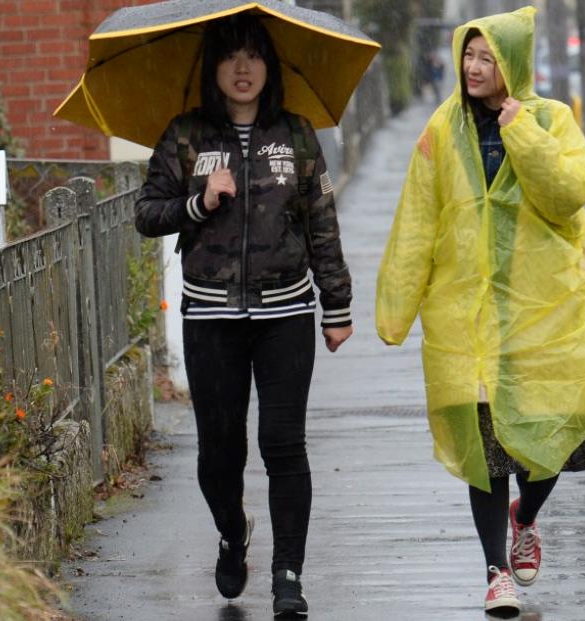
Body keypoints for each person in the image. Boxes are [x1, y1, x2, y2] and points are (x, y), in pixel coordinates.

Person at [375, 7, 585, 615]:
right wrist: (394, 309)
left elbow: (570, 195)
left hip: (541, 316)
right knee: (484, 452)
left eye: (488, 58)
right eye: (468, 56)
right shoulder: (440, 129)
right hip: (465, 321)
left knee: (559, 429)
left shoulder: (551, 120)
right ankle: (495, 570)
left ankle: (525, 517)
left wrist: (520, 131)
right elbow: (417, 220)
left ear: (513, 65)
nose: (474, 68)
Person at [135, 12, 353, 616]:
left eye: (253, 55)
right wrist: (199, 202)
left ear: (269, 66)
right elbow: (146, 213)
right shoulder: (185, 136)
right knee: (219, 453)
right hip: (210, 319)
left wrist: (337, 305)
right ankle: (233, 531)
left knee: (284, 444)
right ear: (214, 68)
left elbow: (322, 228)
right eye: (230, 55)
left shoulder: (297, 136)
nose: (242, 67)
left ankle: (289, 577)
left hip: (286, 312)